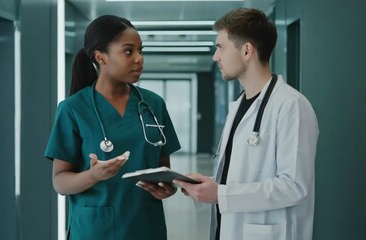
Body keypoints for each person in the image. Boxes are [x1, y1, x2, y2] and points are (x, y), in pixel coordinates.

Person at [173, 8, 319, 240]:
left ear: (247, 50)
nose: (215, 57)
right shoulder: (240, 105)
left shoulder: (291, 105)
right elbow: (243, 176)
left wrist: (221, 194)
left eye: (220, 47)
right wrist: (207, 186)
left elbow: (294, 187)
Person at [44, 15, 181, 240]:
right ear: (100, 57)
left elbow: (163, 170)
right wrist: (93, 175)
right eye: (128, 51)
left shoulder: (153, 104)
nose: (139, 59)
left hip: (146, 227)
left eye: (140, 50)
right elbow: (60, 182)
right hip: (95, 230)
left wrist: (167, 189)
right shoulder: (73, 109)